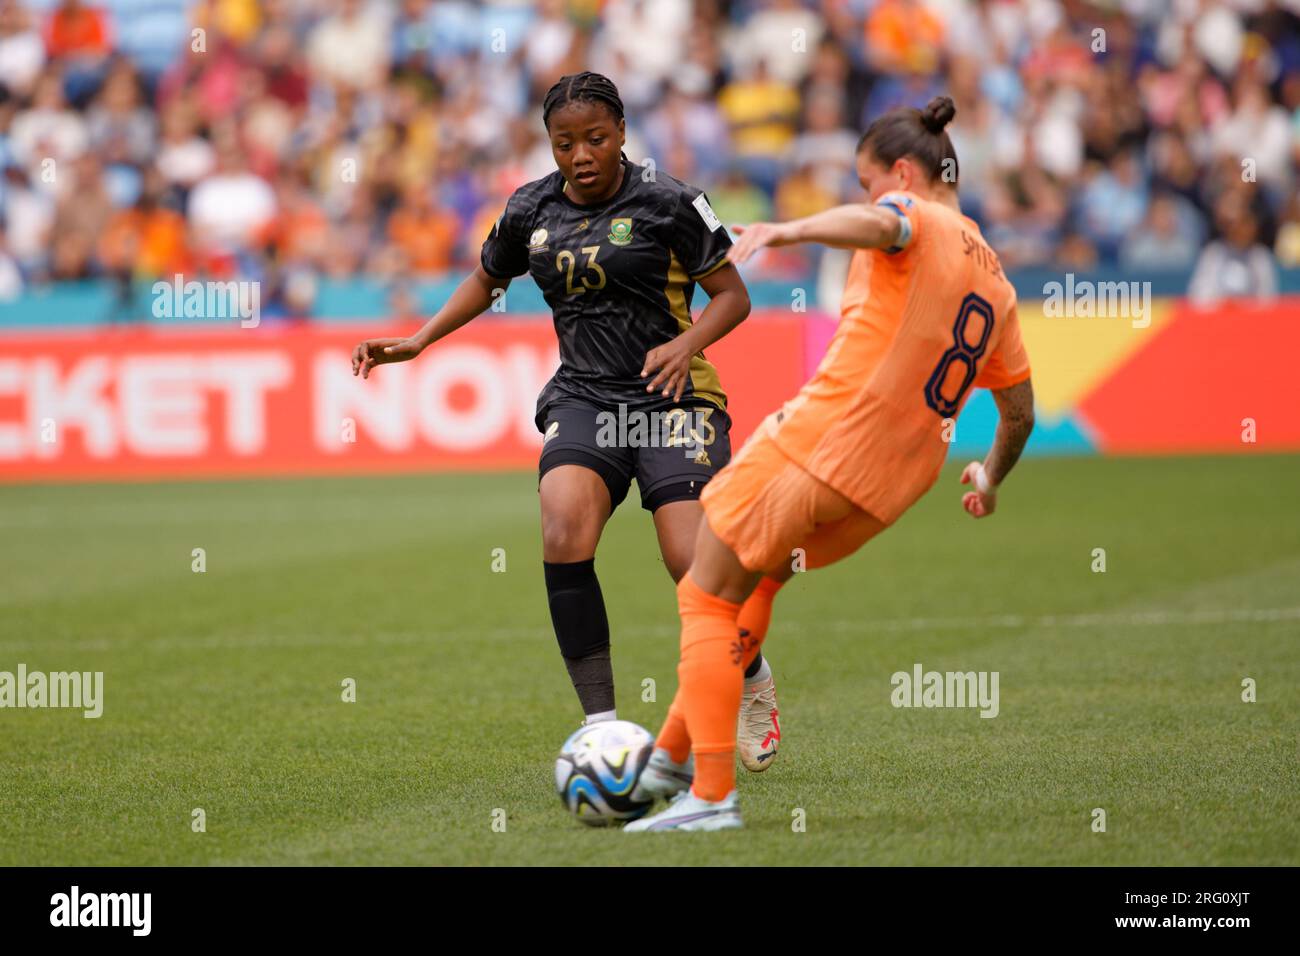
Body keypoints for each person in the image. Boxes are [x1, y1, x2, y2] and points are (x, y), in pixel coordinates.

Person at [352, 72, 784, 770]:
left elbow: (733, 297)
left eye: (595, 139)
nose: (581, 154)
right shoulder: (529, 208)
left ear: (620, 135)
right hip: (585, 398)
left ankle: (753, 677)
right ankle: (602, 730)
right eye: (564, 143)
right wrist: (419, 340)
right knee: (562, 524)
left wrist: (684, 343)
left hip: (673, 399)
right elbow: (487, 279)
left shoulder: (673, 202)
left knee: (692, 564)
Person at [627, 96, 1036, 831]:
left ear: (903, 174)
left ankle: (710, 795)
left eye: (864, 180)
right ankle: (670, 755)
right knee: (755, 576)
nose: (863, 194)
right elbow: (1019, 414)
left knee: (706, 591)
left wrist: (788, 227)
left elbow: (883, 222)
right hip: (890, 489)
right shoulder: (1000, 286)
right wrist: (992, 476)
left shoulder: (914, 215)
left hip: (823, 442)